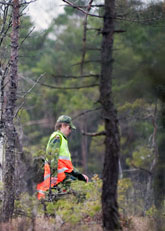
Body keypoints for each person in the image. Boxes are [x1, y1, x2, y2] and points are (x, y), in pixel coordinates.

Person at [37, 115, 88, 199]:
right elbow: (52, 156)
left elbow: (67, 165)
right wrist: (53, 175)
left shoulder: (62, 139)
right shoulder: (57, 137)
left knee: (79, 191)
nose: (70, 130)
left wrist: (80, 176)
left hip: (63, 177)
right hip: (58, 178)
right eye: (69, 128)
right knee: (79, 193)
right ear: (63, 125)